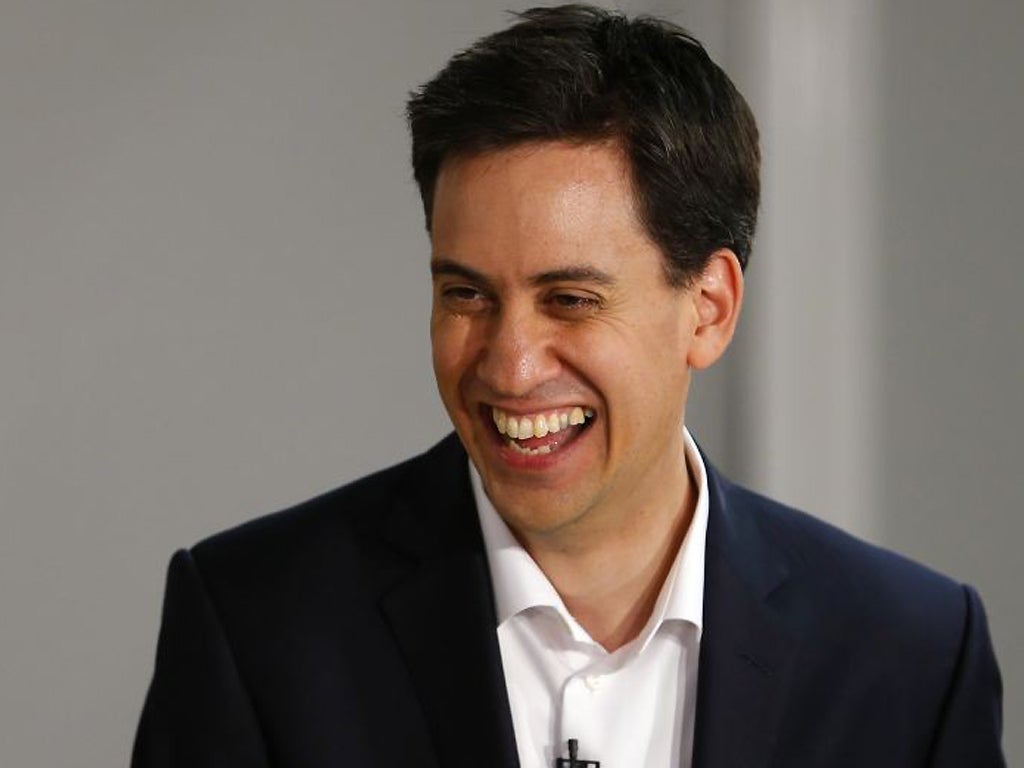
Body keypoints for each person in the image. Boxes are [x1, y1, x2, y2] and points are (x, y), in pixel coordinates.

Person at [131, 5, 1004, 767]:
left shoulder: (914, 657)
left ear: (708, 309)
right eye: (465, 293)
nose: (510, 366)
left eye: (571, 300)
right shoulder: (255, 627)